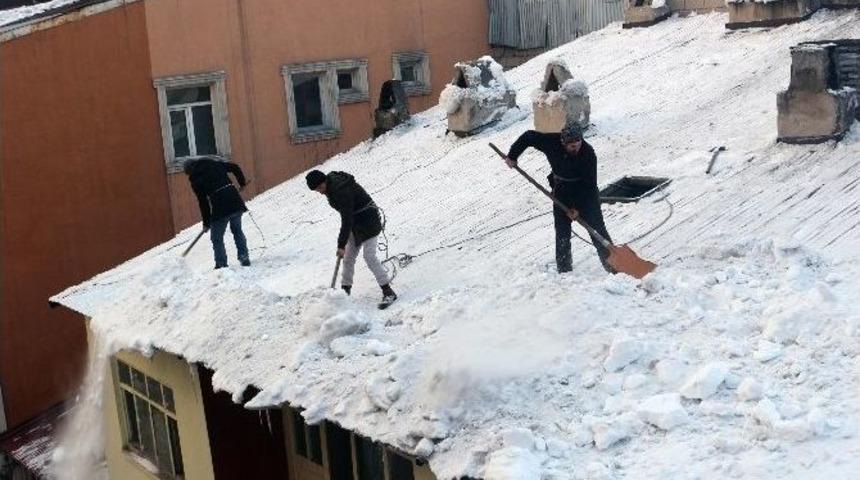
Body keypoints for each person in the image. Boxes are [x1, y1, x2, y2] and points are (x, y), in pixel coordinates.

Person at [504, 120, 614, 274]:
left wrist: (575, 207)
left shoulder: (588, 154)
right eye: (571, 144)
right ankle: (564, 271)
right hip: (561, 191)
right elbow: (528, 137)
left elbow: (589, 185)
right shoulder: (551, 142)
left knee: (598, 231)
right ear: (562, 142)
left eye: (578, 142)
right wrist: (512, 155)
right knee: (562, 234)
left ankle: (614, 267)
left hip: (586, 195)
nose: (575, 146)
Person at [306, 170, 398, 308]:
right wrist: (343, 245)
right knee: (348, 258)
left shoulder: (340, 189)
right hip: (355, 223)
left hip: (368, 221)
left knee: (369, 256)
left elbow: (346, 217)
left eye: (319, 188)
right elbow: (347, 216)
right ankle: (345, 293)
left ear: (324, 181)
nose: (319, 192)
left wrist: (341, 244)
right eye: (316, 190)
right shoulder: (331, 188)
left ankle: (388, 291)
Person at [184, 156, 250, 269]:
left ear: (190, 171)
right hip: (235, 200)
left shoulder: (195, 179)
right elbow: (235, 167)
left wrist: (206, 223)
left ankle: (221, 263)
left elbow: (203, 202)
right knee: (237, 230)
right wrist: (242, 183)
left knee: (217, 237)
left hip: (220, 206)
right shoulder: (215, 164)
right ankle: (244, 257)